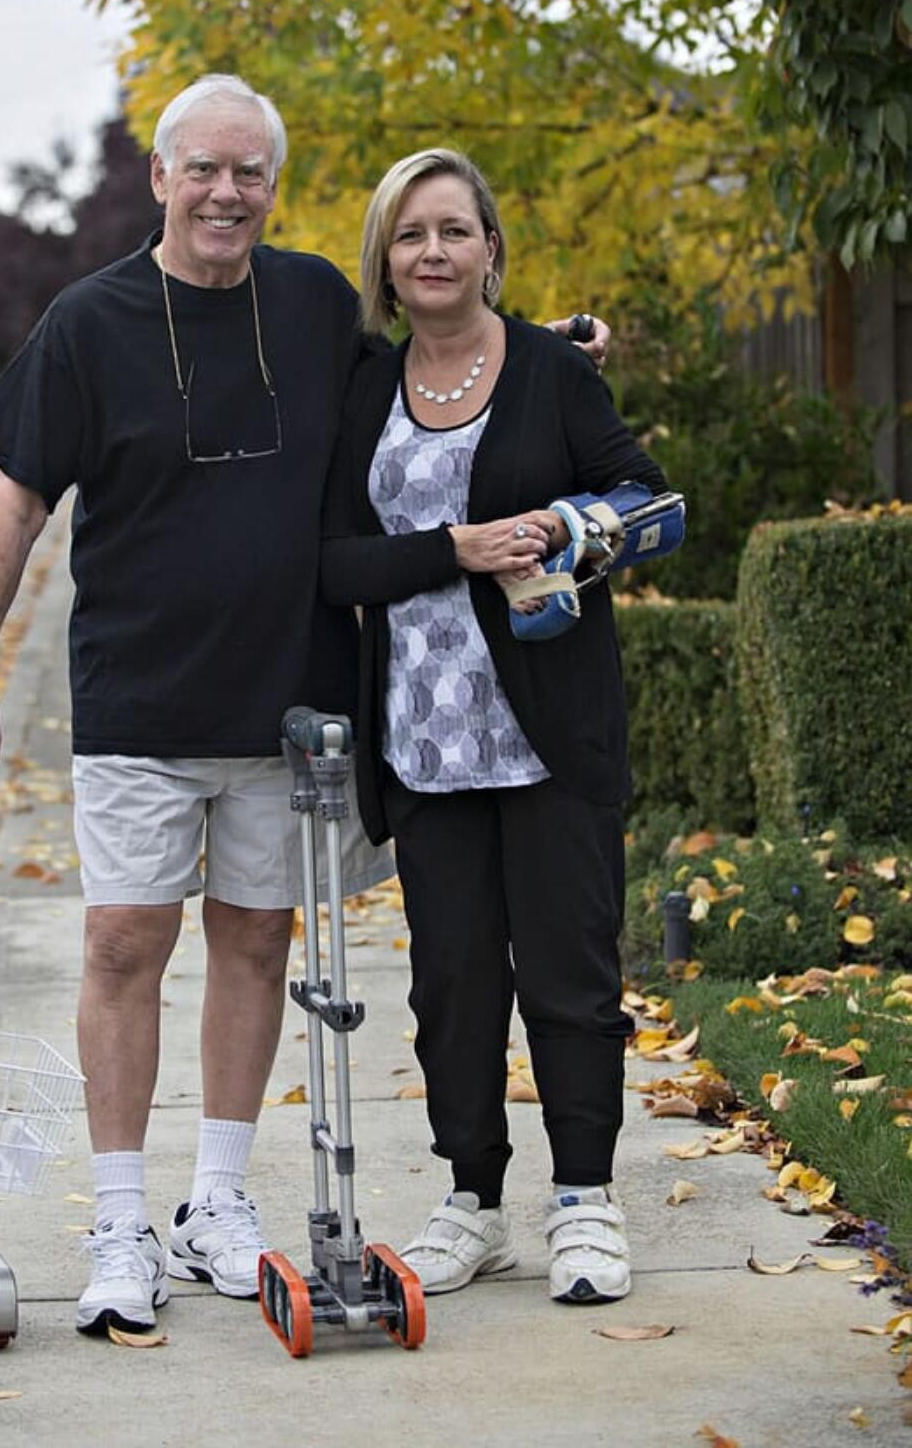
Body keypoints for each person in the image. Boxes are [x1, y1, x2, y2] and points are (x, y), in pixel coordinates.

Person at [0, 79, 610, 1341]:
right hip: (137, 698)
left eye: (249, 174)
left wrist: (547, 340)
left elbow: (431, 365)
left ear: (272, 189)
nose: (226, 193)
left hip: (291, 706)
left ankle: (216, 1203)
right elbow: (15, 509)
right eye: (204, 171)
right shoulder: (87, 324)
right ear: (160, 179)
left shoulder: (306, 301)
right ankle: (120, 1216)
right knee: (125, 947)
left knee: (253, 948)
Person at [321, 147, 674, 1307]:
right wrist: (454, 548)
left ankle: (583, 1202)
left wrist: (572, 531)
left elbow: (648, 499)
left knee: (568, 981)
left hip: (547, 734)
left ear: (490, 249)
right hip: (423, 745)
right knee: (451, 987)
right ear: (385, 259)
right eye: (410, 234)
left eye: (453, 231)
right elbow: (332, 562)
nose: (431, 252)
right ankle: (472, 1203)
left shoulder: (549, 374)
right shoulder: (364, 387)